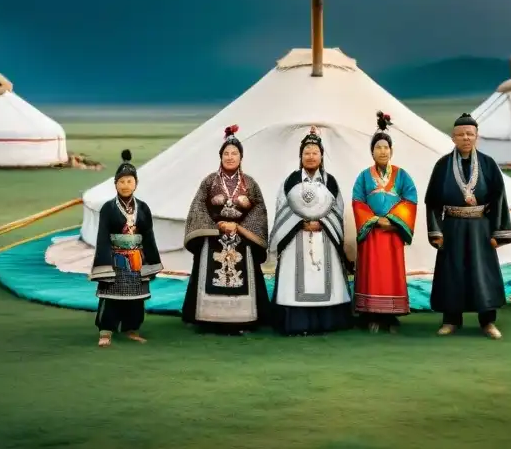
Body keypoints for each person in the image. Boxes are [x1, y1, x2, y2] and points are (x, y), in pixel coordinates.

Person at [424, 113, 511, 340]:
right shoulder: (442, 165)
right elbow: (432, 201)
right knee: (451, 272)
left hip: (480, 229)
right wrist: (436, 231)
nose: (466, 138)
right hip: (452, 228)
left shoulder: (488, 164)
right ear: (453, 137)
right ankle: (451, 320)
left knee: (482, 273)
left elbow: (499, 198)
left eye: (470, 134)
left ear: (477, 137)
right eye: (461, 134)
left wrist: (497, 233)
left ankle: (488, 321)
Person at [181, 124, 271, 335]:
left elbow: (259, 209)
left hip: (242, 237)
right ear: (220, 156)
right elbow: (198, 206)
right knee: (212, 276)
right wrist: (214, 227)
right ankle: (209, 319)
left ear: (241, 157)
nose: (230, 157)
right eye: (226, 153)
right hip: (213, 236)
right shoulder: (209, 181)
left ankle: (243, 320)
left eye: (235, 153)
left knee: (241, 277)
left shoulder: (250, 183)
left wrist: (239, 227)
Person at [268, 126, 353, 335]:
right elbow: (282, 207)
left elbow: (337, 209)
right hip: (296, 236)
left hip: (323, 236)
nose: (311, 157)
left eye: (315, 153)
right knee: (295, 280)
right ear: (300, 156)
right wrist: (300, 223)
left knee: (325, 278)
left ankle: (326, 322)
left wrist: (322, 223)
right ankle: (298, 323)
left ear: (322, 156)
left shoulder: (330, 181)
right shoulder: (291, 180)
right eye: (307, 153)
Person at [89, 149, 163, 347]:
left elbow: (148, 236)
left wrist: (151, 260)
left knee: (135, 297)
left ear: (136, 184)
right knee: (111, 296)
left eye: (129, 181)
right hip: (115, 258)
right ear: (115, 184)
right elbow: (102, 237)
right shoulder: (108, 208)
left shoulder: (143, 208)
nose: (125, 185)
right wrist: (104, 263)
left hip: (137, 259)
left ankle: (132, 329)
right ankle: (106, 331)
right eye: (121, 182)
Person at [351, 111, 417, 333]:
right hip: (371, 233)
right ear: (372, 152)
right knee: (372, 272)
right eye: (378, 147)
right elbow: (357, 202)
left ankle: (391, 315)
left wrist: (393, 220)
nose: (382, 151)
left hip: (392, 234)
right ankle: (371, 314)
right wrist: (374, 220)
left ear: (391, 151)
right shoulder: (363, 176)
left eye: (386, 147)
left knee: (391, 272)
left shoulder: (402, 175)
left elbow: (411, 200)